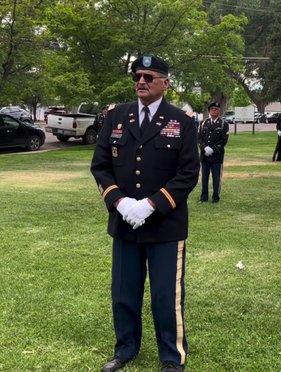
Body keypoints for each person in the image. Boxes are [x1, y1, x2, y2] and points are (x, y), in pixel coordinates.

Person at [90, 54, 199, 372]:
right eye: (137, 75)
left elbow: (188, 173)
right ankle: (125, 349)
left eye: (149, 77)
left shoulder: (183, 121)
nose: (141, 81)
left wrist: (152, 204)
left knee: (166, 296)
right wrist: (120, 202)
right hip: (125, 223)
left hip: (166, 225)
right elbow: (100, 166)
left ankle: (172, 357)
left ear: (165, 83)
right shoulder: (116, 117)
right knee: (124, 293)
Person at [198, 102, 229, 203]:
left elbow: (224, 140)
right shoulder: (203, 122)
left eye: (216, 109)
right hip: (205, 156)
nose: (214, 111)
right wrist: (204, 148)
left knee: (216, 179)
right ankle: (204, 197)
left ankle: (215, 198)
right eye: (212, 109)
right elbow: (199, 138)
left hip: (217, 156)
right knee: (204, 178)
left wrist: (213, 149)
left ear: (219, 111)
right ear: (209, 111)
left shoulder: (224, 124)